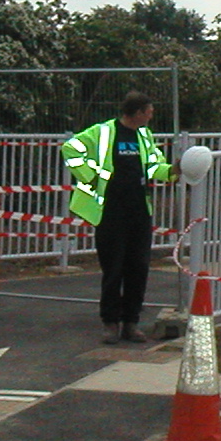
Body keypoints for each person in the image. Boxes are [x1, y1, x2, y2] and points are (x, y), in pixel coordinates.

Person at [62, 92, 176, 344]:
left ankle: (131, 323)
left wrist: (172, 172)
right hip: (110, 212)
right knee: (113, 269)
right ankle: (110, 323)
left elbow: (154, 166)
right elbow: (70, 148)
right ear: (137, 112)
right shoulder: (102, 132)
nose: (151, 115)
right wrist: (88, 175)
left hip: (139, 211)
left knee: (138, 268)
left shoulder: (144, 136)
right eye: (149, 110)